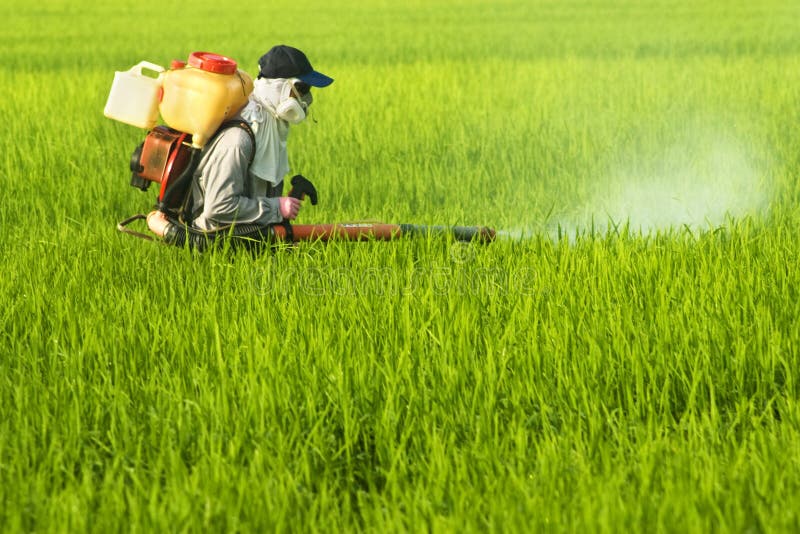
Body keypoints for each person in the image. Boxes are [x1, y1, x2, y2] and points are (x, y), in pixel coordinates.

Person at [146, 45, 333, 247]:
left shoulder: (269, 128)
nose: (306, 99)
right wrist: (277, 208)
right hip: (212, 241)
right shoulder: (238, 140)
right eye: (302, 89)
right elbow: (219, 207)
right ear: (280, 88)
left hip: (247, 236)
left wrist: (280, 208)